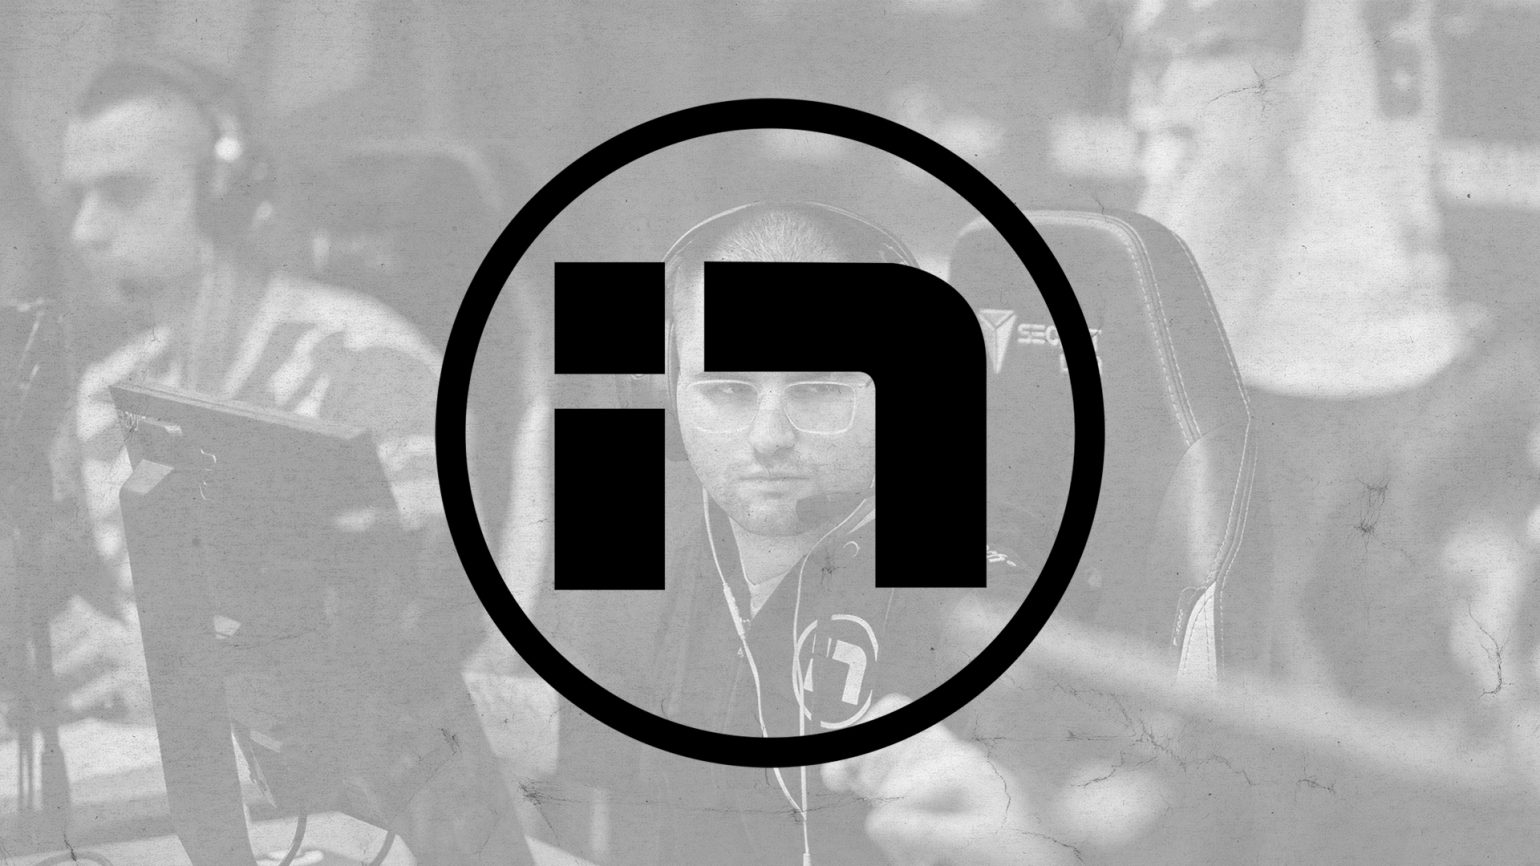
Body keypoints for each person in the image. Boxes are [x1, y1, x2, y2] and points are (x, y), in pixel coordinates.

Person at [542, 201, 1075, 865]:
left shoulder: (970, 583)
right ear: (667, 392)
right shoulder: (692, 536)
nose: (768, 438)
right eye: (726, 390)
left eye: (818, 388)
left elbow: (1026, 790)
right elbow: (668, 753)